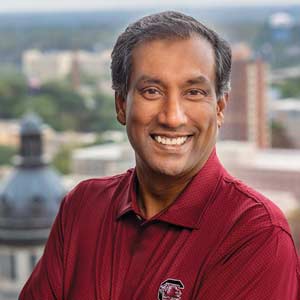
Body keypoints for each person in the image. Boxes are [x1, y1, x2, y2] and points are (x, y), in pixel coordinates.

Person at [19, 11, 299, 300]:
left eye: (193, 92)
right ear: (121, 105)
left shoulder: (255, 234)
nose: (172, 117)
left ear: (219, 108)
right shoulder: (81, 208)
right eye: (152, 91)